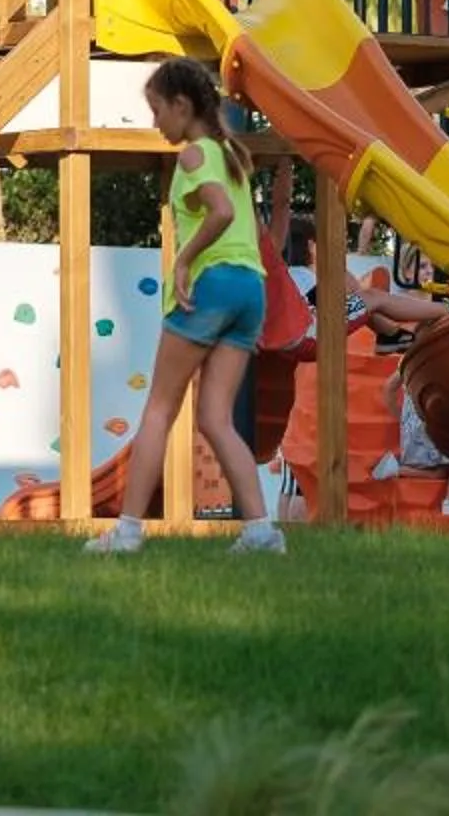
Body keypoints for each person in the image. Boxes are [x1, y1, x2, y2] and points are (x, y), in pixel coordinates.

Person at [91, 57, 284, 557]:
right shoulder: (231, 154)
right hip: (250, 290)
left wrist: (184, 259)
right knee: (216, 419)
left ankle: (128, 532)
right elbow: (237, 218)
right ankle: (261, 531)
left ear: (182, 106)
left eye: (157, 110)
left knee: (159, 408)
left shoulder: (194, 155)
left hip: (212, 285)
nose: (154, 122)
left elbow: (217, 211)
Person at [373, 366, 449, 517]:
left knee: (440, 473)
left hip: (414, 429)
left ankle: (397, 468)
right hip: (435, 423)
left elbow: (389, 387)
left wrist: (400, 417)